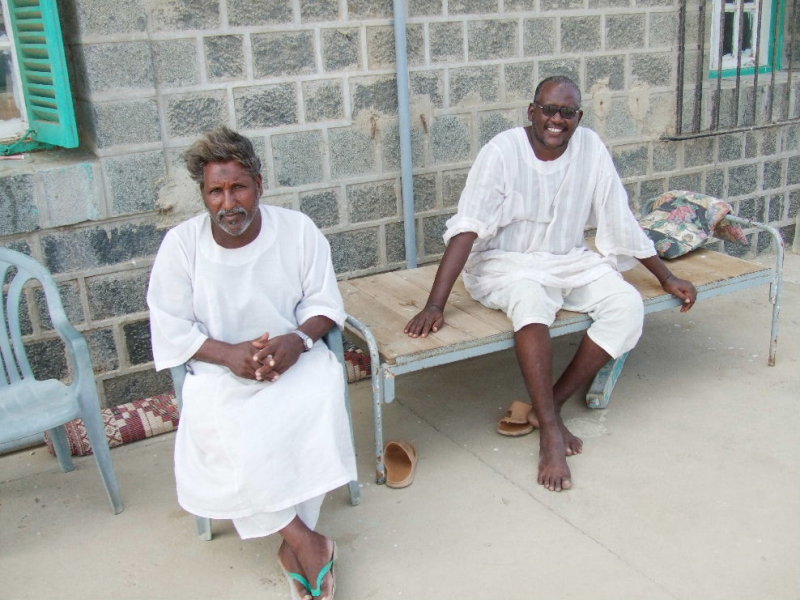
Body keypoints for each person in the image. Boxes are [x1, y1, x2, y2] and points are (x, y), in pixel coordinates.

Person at [404, 76, 697, 493]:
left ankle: (550, 409)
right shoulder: (502, 152)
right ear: (532, 110)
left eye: (568, 113)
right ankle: (552, 434)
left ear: (578, 116)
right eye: (548, 109)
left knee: (626, 306)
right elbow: (468, 226)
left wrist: (665, 276)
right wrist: (436, 304)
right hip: (506, 263)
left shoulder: (590, 148)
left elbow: (618, 214)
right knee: (530, 300)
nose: (557, 120)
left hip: (566, 259)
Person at [147, 126, 355, 600]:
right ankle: (306, 542)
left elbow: (325, 301)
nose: (228, 202)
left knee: (315, 400)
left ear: (259, 184)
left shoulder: (297, 229)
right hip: (221, 371)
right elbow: (171, 326)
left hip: (295, 359)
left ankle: (294, 546)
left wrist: (298, 340)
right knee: (227, 430)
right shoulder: (182, 245)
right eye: (215, 191)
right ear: (202, 195)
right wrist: (230, 355)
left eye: (237, 187)